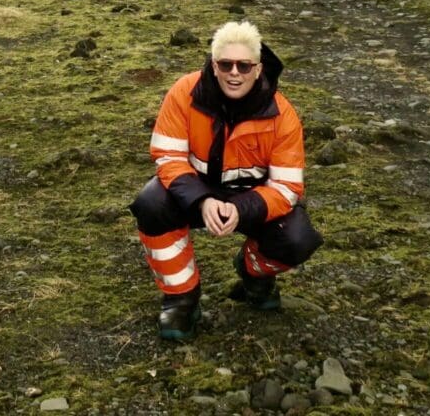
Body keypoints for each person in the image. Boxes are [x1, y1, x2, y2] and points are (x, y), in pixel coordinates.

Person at [129, 20, 322, 341]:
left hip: (254, 201)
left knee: (297, 239)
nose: (235, 72)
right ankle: (182, 298)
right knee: (151, 203)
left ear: (258, 69)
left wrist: (242, 209)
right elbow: (168, 156)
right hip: (194, 193)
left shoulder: (283, 115)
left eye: (244, 66)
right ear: (213, 65)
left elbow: (287, 188)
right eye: (226, 64)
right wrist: (202, 200)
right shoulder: (183, 93)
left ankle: (253, 273)